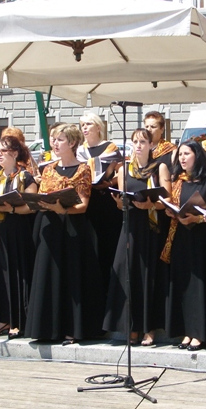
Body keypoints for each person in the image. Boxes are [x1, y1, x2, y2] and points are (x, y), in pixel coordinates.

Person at [25, 123, 104, 345]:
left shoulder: (83, 169)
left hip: (71, 228)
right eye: (53, 139)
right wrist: (41, 203)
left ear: (72, 142)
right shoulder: (48, 169)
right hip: (49, 226)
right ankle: (47, 329)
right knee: (48, 275)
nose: (55, 143)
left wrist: (62, 209)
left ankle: (72, 328)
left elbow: (83, 205)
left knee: (71, 276)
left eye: (59, 139)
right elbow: (42, 195)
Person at [103, 128, 171, 347]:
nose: (139, 145)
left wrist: (151, 204)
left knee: (148, 275)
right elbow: (124, 201)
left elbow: (167, 200)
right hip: (131, 226)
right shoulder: (125, 169)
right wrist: (119, 203)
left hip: (151, 227)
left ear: (151, 145)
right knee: (129, 273)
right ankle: (132, 326)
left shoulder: (159, 167)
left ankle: (149, 327)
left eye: (143, 141)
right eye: (135, 142)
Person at [161, 140, 206, 351]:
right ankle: (187, 331)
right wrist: (171, 211)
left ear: (197, 155)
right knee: (183, 283)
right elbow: (172, 204)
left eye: (186, 154)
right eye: (180, 155)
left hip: (202, 237)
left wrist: (196, 218)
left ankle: (200, 333)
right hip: (181, 236)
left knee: (199, 284)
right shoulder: (178, 180)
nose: (182, 158)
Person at [0, 135, 38, 340]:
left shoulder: (25, 177)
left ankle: (18, 321)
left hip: (17, 230)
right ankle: (3, 319)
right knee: (0, 275)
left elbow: (32, 206)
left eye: (3, 151)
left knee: (17, 275)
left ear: (14, 153)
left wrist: (11, 209)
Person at [78, 112, 122, 294]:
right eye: (82, 125)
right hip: (88, 201)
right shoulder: (79, 150)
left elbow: (121, 172)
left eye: (88, 124)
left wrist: (109, 183)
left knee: (107, 243)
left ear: (98, 127)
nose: (85, 128)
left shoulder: (110, 147)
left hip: (106, 200)